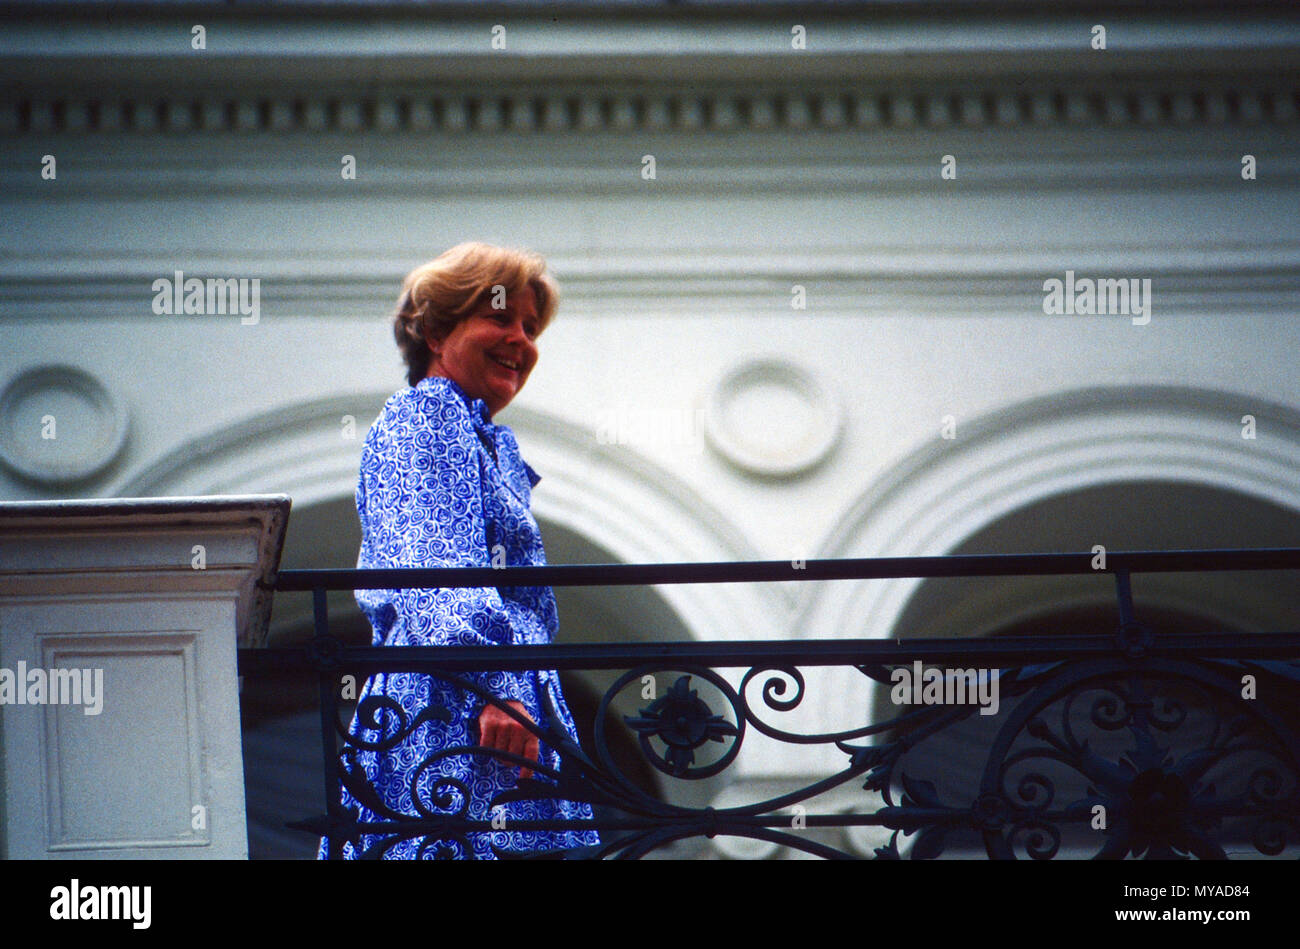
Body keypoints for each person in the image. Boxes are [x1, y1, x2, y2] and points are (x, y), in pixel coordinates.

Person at [319, 242, 600, 859]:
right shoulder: (428, 417)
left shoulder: (476, 433)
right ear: (438, 331)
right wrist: (498, 689)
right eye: (500, 318)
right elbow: (434, 568)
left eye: (530, 327)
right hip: (452, 713)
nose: (521, 341)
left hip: (481, 710)